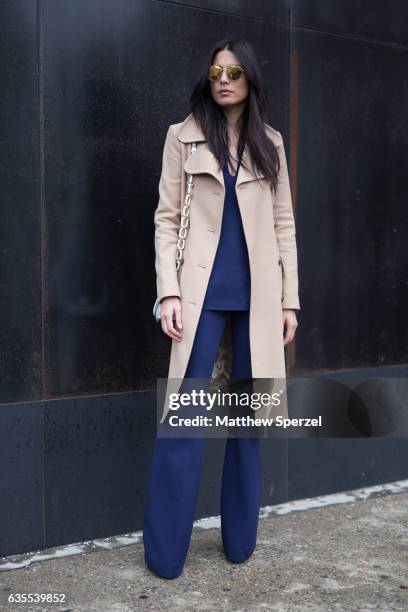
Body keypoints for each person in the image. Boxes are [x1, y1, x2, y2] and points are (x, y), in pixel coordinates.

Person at [143, 38, 300, 579]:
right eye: (216, 70)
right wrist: (168, 291)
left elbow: (284, 227)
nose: (224, 79)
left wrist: (289, 302)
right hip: (198, 300)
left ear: (250, 80)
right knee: (183, 424)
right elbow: (166, 220)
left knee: (247, 427)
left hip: (257, 303)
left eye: (234, 71)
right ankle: (164, 554)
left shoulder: (271, 144)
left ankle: (240, 542)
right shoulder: (181, 138)